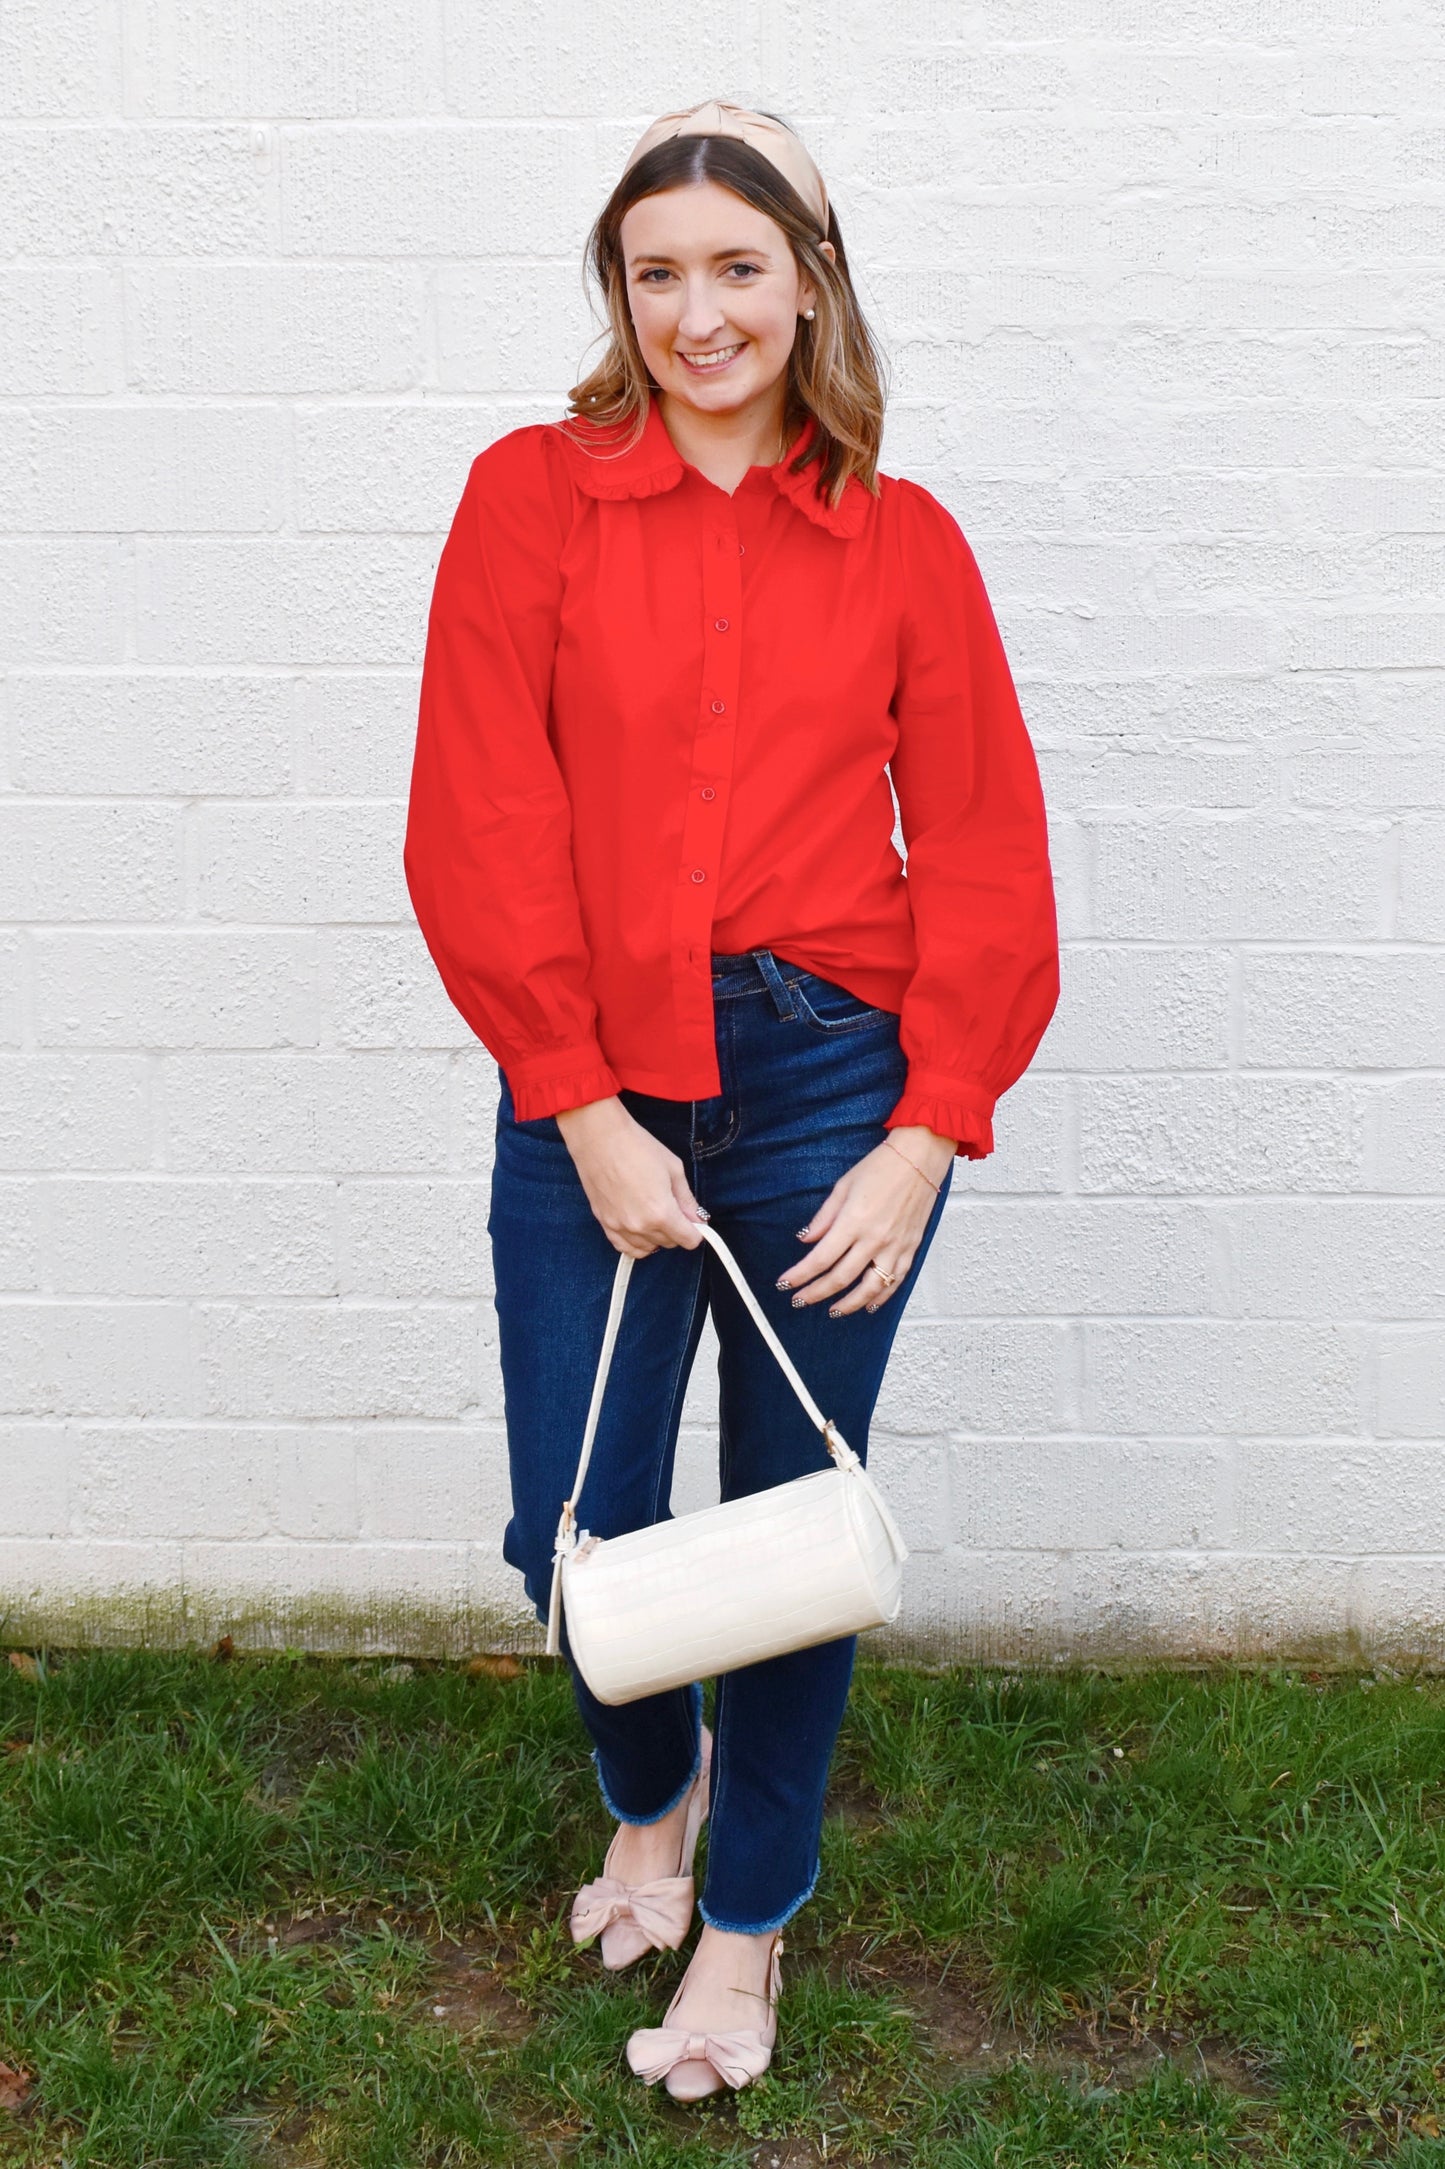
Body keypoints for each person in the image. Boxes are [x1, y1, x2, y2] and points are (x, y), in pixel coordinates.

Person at [403, 98, 1059, 2103]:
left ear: (811, 280)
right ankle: (656, 1790)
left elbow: (985, 844)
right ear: (620, 284)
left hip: (827, 1092)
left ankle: (750, 1914)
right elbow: (478, 814)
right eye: (658, 268)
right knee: (574, 1523)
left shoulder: (899, 539)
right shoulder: (531, 500)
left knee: (789, 1529)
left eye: (740, 268)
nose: (699, 310)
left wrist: (931, 1120)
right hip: (590, 1078)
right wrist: (579, 1100)